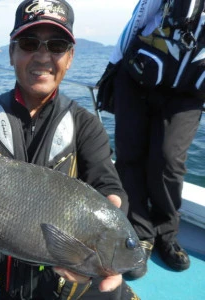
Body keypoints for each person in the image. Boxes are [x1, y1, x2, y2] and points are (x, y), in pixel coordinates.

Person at [0, 0, 139, 298]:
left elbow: (107, 183)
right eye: (29, 43)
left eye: (57, 45)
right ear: (11, 53)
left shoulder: (86, 126)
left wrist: (116, 202)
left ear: (70, 58)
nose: (43, 56)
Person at [97, 0, 205, 279]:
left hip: (189, 89)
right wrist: (113, 66)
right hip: (138, 73)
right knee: (129, 155)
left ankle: (167, 233)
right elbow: (141, 15)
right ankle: (140, 233)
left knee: (169, 159)